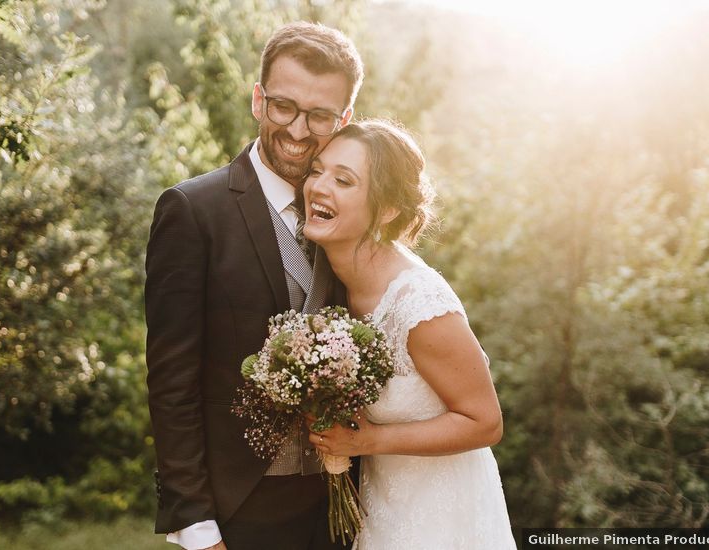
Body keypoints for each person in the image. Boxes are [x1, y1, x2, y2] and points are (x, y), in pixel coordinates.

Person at [145, 22, 364, 550]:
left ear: (345, 119)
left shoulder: (357, 211)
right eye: (283, 106)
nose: (297, 130)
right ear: (258, 100)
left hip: (347, 503)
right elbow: (172, 380)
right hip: (239, 507)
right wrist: (196, 525)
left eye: (320, 116)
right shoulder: (193, 210)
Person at [303, 120, 516, 549]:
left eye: (343, 180)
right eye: (316, 170)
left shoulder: (419, 303)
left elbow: (485, 422)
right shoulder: (331, 283)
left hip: (443, 519)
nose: (318, 187)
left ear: (386, 210)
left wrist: (369, 440)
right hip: (382, 510)